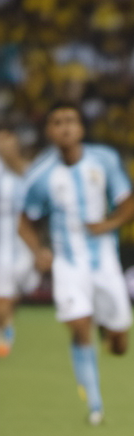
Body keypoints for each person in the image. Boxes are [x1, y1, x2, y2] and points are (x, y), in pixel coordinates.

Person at [18, 103, 134, 424]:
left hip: (105, 262)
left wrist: (108, 224)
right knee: (78, 325)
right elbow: (24, 221)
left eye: (71, 121)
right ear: (49, 131)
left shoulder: (104, 160)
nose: (65, 127)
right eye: (57, 122)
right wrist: (39, 251)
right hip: (68, 263)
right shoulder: (40, 175)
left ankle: (106, 327)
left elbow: (129, 202)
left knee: (119, 344)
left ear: (81, 128)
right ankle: (95, 406)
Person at [0, 127, 39, 357]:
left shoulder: (27, 170)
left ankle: (7, 325)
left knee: (13, 290)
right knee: (5, 292)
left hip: (21, 240)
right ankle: (6, 331)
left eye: (7, 138)